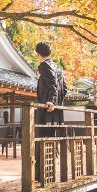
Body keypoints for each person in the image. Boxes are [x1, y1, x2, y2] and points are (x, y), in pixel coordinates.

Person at [34, 42, 67, 180]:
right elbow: (64, 89)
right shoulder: (58, 68)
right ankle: (48, 173)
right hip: (56, 113)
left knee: (40, 140)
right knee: (50, 141)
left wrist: (51, 101)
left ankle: (40, 175)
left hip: (47, 110)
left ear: (38, 54)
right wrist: (57, 102)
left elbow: (52, 84)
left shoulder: (45, 65)